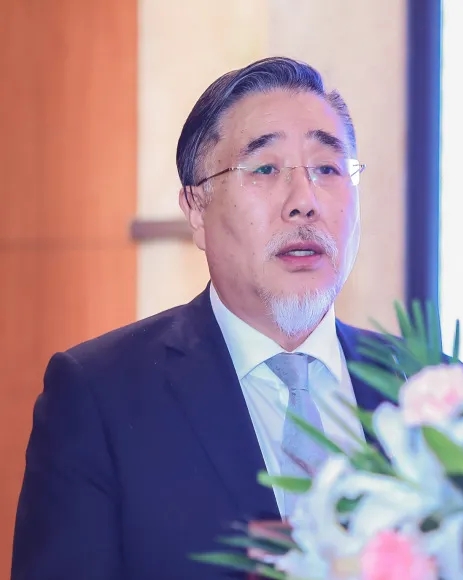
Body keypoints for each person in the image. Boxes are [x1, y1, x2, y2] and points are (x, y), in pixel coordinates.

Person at [11, 56, 387, 580]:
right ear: (196, 208)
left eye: (327, 168)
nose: (305, 201)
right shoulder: (100, 398)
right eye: (265, 169)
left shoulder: (436, 390)